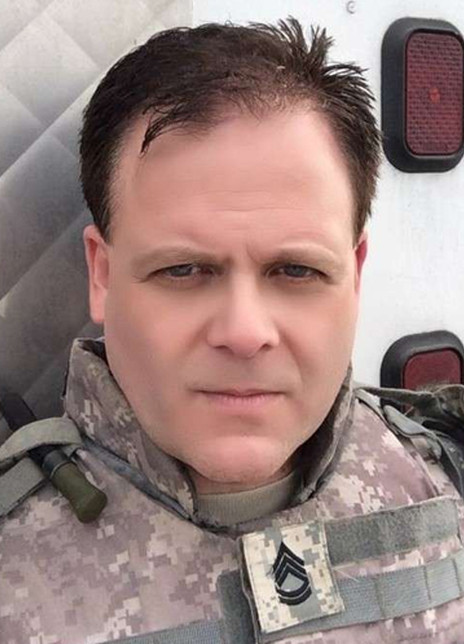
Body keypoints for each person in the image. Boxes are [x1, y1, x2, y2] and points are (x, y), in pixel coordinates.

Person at [1, 16, 464, 644]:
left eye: (296, 270)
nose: (244, 333)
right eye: (183, 269)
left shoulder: (442, 478)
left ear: (354, 275)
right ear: (103, 276)